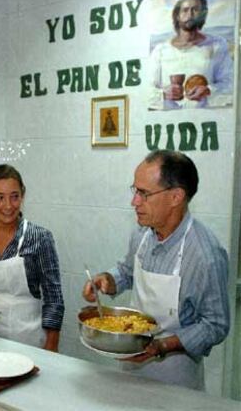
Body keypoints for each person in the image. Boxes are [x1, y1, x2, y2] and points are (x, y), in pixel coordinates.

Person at [83, 150, 230, 390]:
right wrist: (108, 280)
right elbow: (128, 270)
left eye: (144, 194)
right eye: (135, 190)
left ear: (176, 197)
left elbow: (216, 324)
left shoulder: (205, 254)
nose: (134, 202)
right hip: (130, 367)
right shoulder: (142, 233)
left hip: (175, 377)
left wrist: (162, 346)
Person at [0, 164, 65, 352]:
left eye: (14, 197)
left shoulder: (39, 237)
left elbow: (53, 297)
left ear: (22, 195)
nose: (8, 206)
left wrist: (51, 347)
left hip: (26, 340)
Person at [148, 0, 233, 110]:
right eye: (185, 10)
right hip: (169, 120)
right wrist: (164, 94)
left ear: (202, 14)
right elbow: (145, 90)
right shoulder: (161, 51)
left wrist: (208, 90)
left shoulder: (217, 45)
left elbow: (230, 83)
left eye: (195, 9)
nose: (190, 14)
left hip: (205, 118)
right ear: (177, 15)